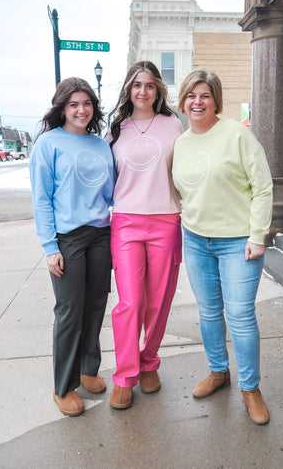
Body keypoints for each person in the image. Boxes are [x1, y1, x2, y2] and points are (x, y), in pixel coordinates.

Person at [172, 69, 273, 425]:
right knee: (208, 312)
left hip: (237, 242)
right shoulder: (181, 142)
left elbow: (262, 187)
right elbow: (182, 189)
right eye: (191, 95)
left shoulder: (236, 135)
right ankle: (219, 371)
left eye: (205, 95)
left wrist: (258, 235)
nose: (197, 102)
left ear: (216, 100)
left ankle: (250, 387)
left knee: (241, 317)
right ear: (183, 101)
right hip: (196, 240)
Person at [30, 77, 115, 417]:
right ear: (62, 108)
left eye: (86, 103)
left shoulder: (101, 144)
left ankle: (87, 368)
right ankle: (63, 386)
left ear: (93, 107)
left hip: (101, 234)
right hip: (68, 239)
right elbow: (42, 199)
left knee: (95, 305)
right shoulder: (49, 144)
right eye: (73, 104)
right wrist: (50, 246)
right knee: (69, 311)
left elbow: (109, 192)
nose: (81, 110)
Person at [107, 60, 183, 409]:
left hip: (166, 220)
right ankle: (125, 374)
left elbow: (187, 170)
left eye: (149, 85)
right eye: (136, 85)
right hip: (126, 222)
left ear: (158, 90)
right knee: (130, 303)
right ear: (128, 90)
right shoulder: (116, 130)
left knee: (158, 301)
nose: (142, 91)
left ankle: (148, 361)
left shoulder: (173, 125)